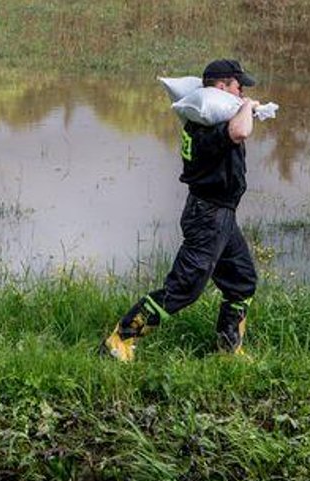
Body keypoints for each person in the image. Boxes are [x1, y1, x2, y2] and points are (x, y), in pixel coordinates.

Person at [101, 59, 261, 361]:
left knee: (242, 280)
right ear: (222, 86)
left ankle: (229, 349)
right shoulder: (205, 127)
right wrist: (247, 107)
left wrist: (244, 106)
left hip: (222, 216)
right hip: (208, 217)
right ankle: (120, 339)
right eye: (240, 87)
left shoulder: (212, 119)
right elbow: (240, 132)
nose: (243, 93)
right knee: (183, 289)